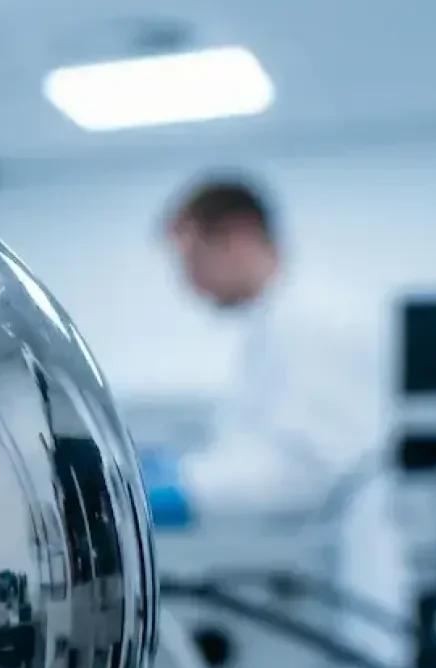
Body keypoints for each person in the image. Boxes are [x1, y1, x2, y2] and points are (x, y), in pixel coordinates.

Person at [140, 175, 378, 530]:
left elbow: (304, 473)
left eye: (192, 258)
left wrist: (185, 489)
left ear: (239, 235)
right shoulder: (276, 321)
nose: (187, 279)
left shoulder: (310, 320)